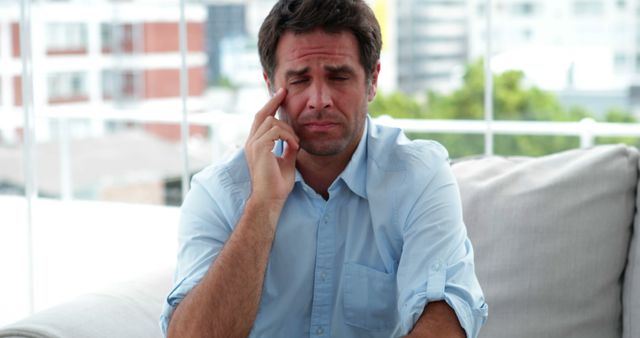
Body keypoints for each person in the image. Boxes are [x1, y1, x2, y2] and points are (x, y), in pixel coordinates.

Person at [160, 0, 487, 337]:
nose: (319, 99)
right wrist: (262, 205)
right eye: (299, 80)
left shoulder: (419, 177)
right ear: (270, 85)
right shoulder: (219, 190)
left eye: (338, 76)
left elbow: (446, 314)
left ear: (372, 80)